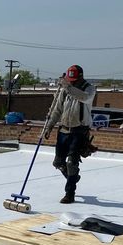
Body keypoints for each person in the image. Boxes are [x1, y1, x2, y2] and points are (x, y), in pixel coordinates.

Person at [42, 65, 96, 204]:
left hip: (79, 130)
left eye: (73, 80)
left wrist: (68, 87)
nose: (71, 82)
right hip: (64, 130)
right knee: (58, 162)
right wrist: (49, 127)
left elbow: (84, 98)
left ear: (80, 77)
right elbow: (56, 109)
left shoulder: (89, 89)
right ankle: (72, 177)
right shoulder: (65, 90)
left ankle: (69, 193)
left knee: (72, 163)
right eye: (69, 80)